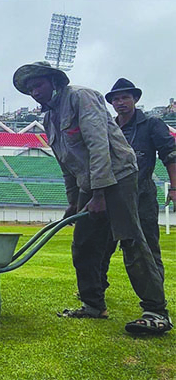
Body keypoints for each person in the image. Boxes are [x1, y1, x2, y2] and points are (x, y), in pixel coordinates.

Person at [12, 61, 172, 334]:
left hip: (118, 175)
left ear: (54, 81)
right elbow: (67, 163)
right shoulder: (50, 117)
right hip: (89, 181)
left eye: (37, 85)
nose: (34, 92)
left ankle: (156, 312)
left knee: (131, 240)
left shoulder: (81, 97)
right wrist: (73, 201)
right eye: (29, 89)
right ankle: (93, 305)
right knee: (84, 243)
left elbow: (99, 145)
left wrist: (99, 194)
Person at [99, 78, 176, 297]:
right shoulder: (109, 127)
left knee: (146, 248)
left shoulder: (152, 124)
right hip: (110, 195)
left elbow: (170, 155)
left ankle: (155, 297)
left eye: (125, 97)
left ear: (135, 99)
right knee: (100, 247)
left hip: (141, 195)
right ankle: (96, 292)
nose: (120, 102)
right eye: (115, 99)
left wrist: (174, 188)